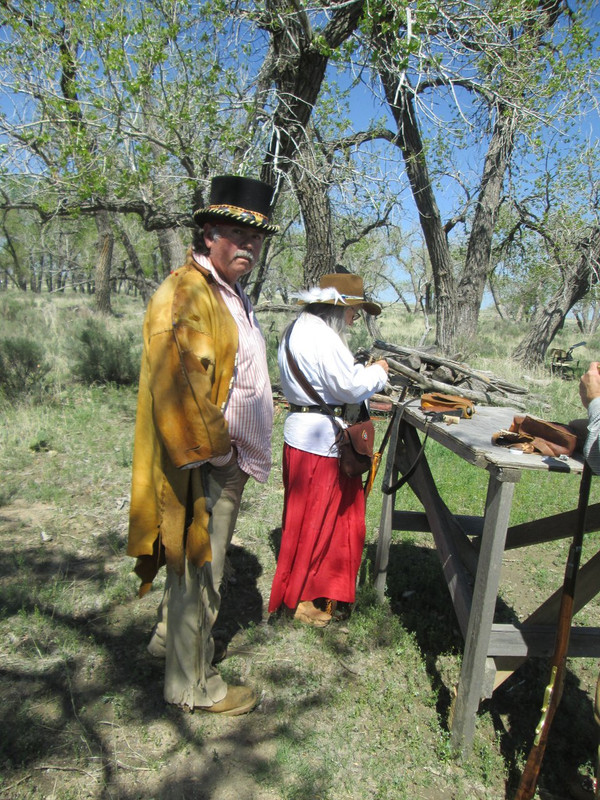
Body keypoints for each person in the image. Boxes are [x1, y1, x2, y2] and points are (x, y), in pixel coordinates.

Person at [127, 175, 278, 715]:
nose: (249, 248)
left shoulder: (223, 288)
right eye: (239, 236)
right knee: (200, 569)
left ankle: (167, 645)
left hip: (222, 459)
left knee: (195, 568)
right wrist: (220, 454)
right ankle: (193, 686)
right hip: (206, 461)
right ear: (209, 232)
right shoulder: (187, 291)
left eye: (257, 240)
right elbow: (181, 385)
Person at [268, 273, 389, 626]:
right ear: (337, 308)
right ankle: (302, 598)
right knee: (317, 522)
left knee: (307, 519)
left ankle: (310, 589)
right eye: (353, 310)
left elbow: (330, 380)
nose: (354, 318)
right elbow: (350, 388)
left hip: (303, 435)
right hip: (320, 441)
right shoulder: (322, 335)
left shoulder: (298, 328)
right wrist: (378, 373)